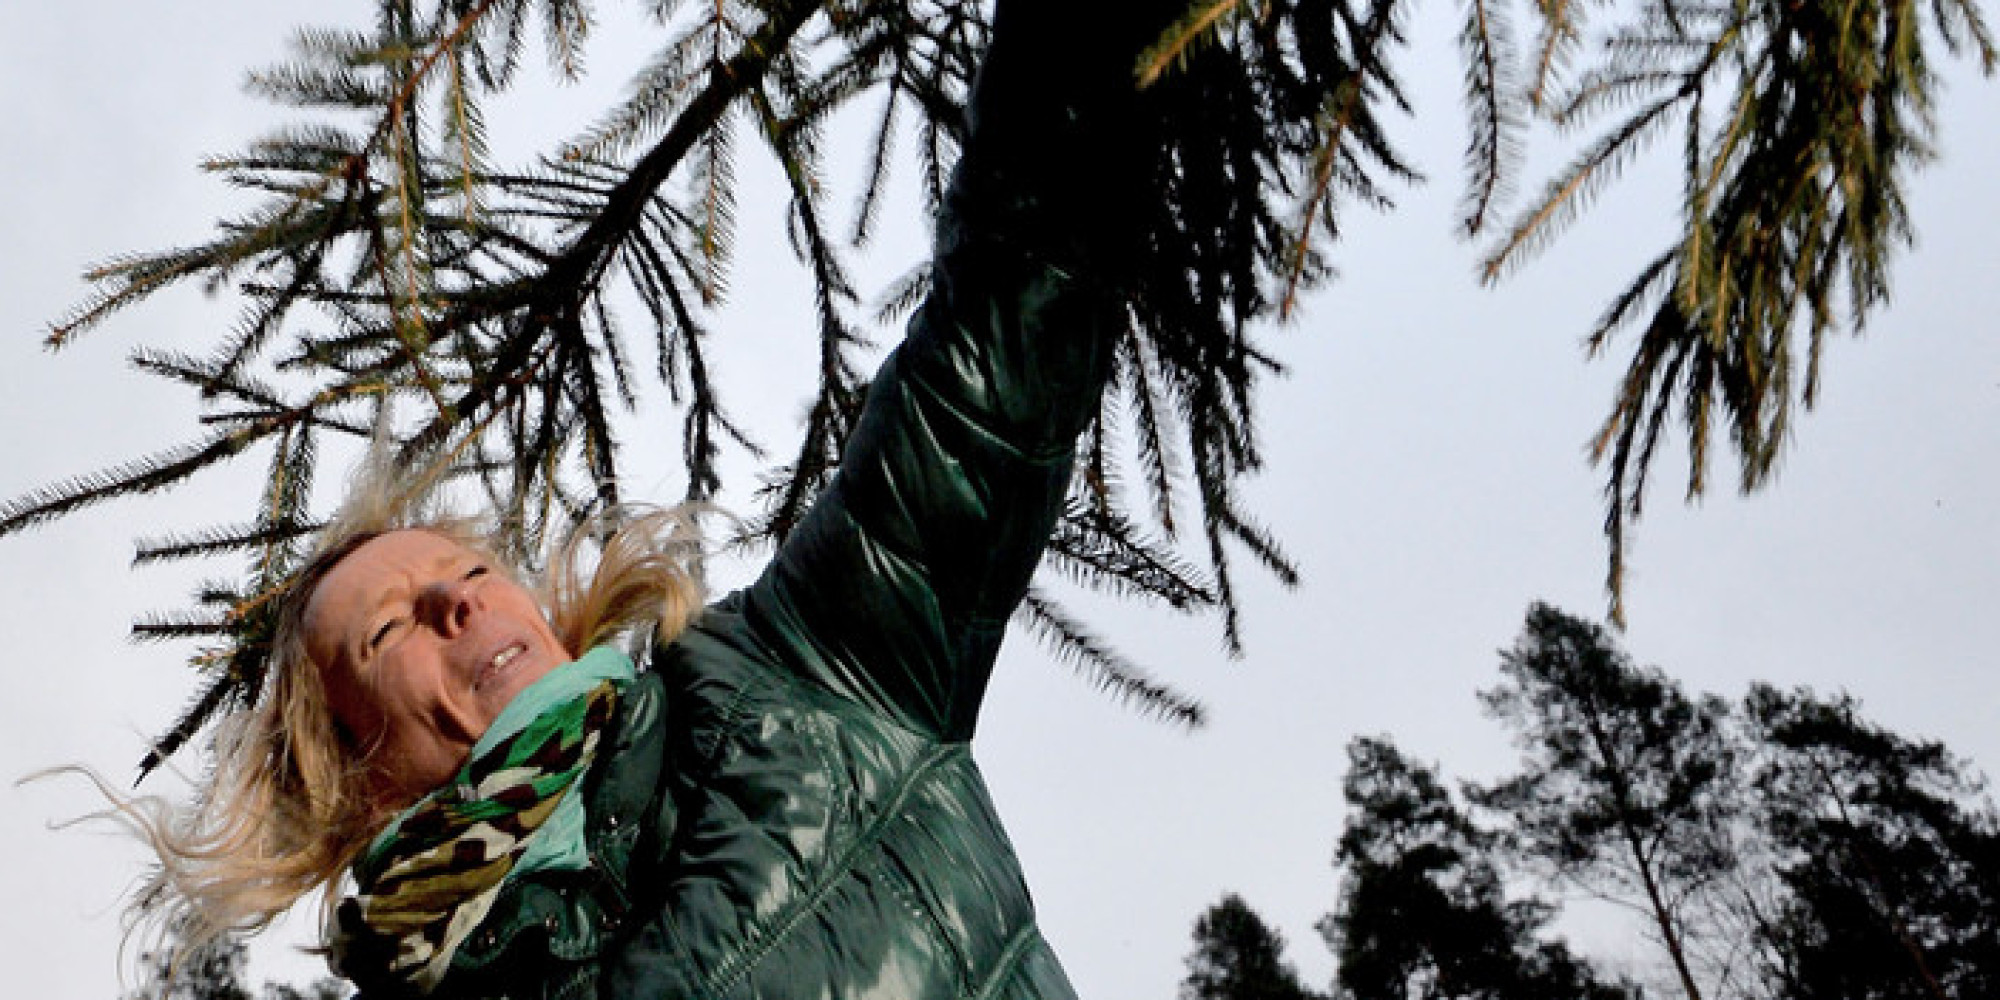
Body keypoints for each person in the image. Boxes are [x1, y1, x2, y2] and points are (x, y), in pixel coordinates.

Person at [129, 1, 1172, 996]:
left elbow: (996, 340)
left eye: (471, 574)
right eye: (390, 629)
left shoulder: (794, 681)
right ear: (354, 777)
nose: (458, 604)